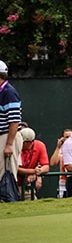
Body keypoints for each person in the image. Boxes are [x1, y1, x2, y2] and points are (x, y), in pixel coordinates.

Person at [0, 60, 23, 199]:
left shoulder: (8, 92)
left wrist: (9, 144)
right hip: (4, 136)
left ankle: (8, 201)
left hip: (7, 136)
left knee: (5, 173)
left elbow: (14, 120)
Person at [17, 128, 49, 200]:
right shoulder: (14, 145)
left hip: (25, 185)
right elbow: (14, 169)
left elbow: (46, 167)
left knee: (32, 204)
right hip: (9, 184)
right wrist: (33, 171)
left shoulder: (40, 145)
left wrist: (36, 173)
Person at [49, 129, 72, 198]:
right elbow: (53, 163)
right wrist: (58, 147)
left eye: (71, 137)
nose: (69, 139)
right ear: (63, 138)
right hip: (63, 182)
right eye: (67, 137)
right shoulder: (61, 150)